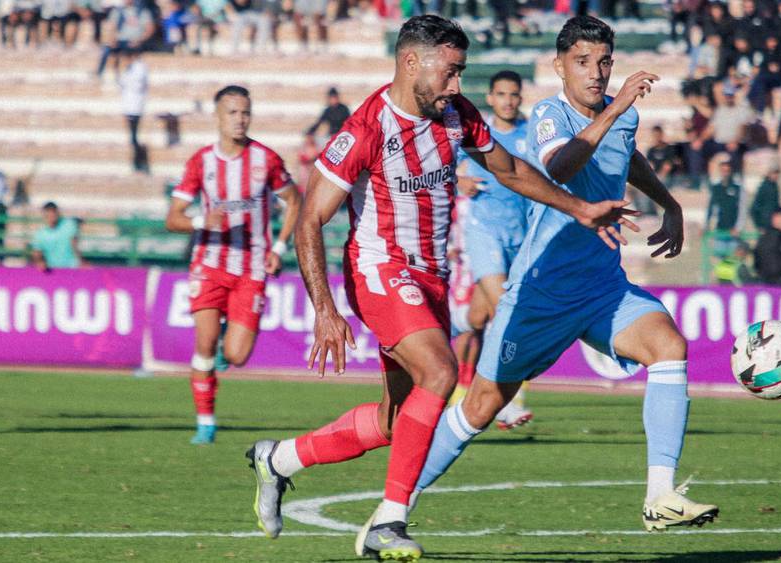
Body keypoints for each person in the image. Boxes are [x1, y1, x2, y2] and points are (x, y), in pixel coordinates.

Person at [242, 15, 637, 561]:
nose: (457, 84)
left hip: (432, 278)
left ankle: (278, 459)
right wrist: (325, 310)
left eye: (461, 72)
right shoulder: (366, 129)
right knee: (441, 372)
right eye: (450, 72)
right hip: (380, 270)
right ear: (411, 63)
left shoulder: (455, 114)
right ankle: (389, 521)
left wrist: (580, 208)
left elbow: (510, 170)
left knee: (395, 421)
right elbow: (310, 219)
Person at [409, 13, 717, 543]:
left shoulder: (621, 116)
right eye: (582, 62)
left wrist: (669, 203)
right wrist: (615, 108)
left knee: (669, 346)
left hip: (601, 289)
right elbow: (560, 167)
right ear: (559, 66)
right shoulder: (549, 115)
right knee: (480, 407)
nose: (595, 73)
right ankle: (398, 502)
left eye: (604, 62)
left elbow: (627, 156)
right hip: (541, 293)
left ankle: (660, 497)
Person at [164, 85, 301, 445]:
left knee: (237, 355)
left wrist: (280, 247)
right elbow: (173, 218)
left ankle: (227, 334)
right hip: (209, 263)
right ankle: (205, 422)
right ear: (218, 117)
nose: (240, 119)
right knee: (204, 342)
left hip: (252, 268)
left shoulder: (266, 160)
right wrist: (200, 221)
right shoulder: (201, 162)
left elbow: (294, 201)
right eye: (233, 113)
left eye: (245, 112)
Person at [453, 70, 533, 430]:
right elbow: (439, 165)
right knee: (509, 309)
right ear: (490, 98)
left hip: (521, 236)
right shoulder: (476, 132)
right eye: (501, 94)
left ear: (520, 97)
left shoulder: (531, 135)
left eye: (513, 94)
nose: (508, 101)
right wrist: (460, 180)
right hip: (483, 232)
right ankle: (506, 400)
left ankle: (444, 324)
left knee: (477, 319)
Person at [118, 48, 148, 173]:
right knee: (132, 136)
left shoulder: (140, 68)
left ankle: (139, 163)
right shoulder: (128, 69)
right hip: (129, 106)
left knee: (135, 136)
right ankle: (137, 162)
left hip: (135, 106)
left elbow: (137, 85)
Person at [30, 202, 83, 271]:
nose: (51, 217)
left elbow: (74, 245)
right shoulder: (40, 233)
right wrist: (40, 261)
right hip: (51, 269)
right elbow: (37, 252)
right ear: (44, 215)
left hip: (71, 268)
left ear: (57, 213)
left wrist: (81, 262)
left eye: (53, 213)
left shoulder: (69, 224)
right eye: (48, 215)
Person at [750, 166, 780, 232]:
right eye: (774, 173)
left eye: (777, 173)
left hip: (774, 226)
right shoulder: (763, 187)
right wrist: (759, 226)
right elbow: (753, 209)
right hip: (765, 226)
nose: (776, 176)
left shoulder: (775, 187)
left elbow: (776, 206)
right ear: (769, 173)